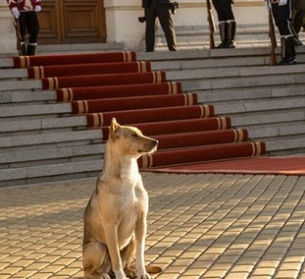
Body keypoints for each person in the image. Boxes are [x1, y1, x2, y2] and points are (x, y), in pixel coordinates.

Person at [266, 0, 296, 65]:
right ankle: (284, 56)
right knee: (280, 26)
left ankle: (291, 56)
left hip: (284, 4)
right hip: (274, 4)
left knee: (285, 25)